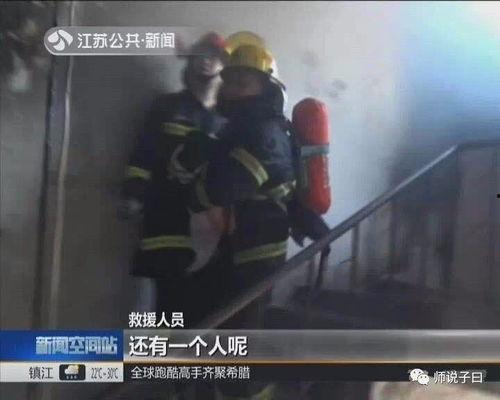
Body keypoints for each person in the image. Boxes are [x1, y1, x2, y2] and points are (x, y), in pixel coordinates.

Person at [121, 32, 228, 317]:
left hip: (211, 223)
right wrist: (133, 193)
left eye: (215, 56)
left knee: (204, 305)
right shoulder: (167, 106)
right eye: (202, 54)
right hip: (166, 214)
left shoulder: (227, 119)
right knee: (168, 302)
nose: (207, 61)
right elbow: (143, 154)